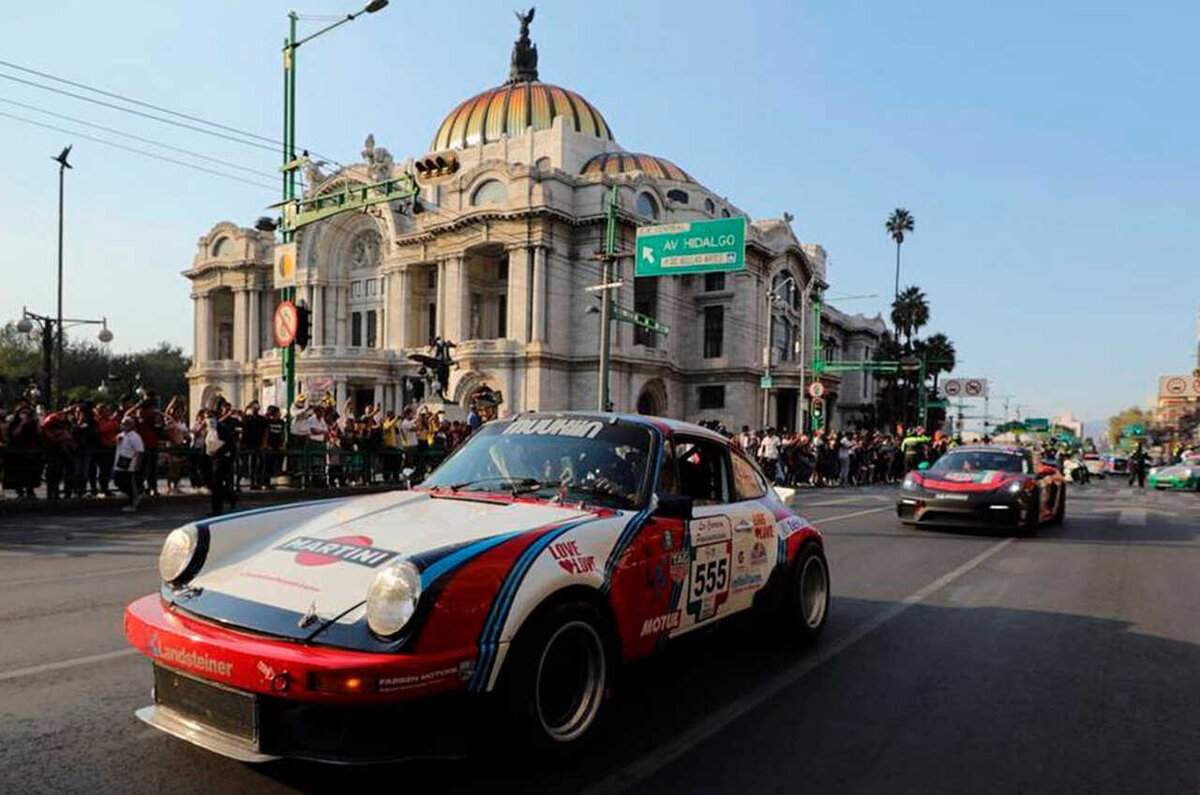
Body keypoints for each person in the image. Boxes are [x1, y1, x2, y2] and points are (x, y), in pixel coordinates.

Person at [205, 400, 238, 515]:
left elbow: (229, 444)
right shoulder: (210, 430)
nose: (208, 420)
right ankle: (230, 496)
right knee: (214, 484)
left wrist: (218, 452)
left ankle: (217, 509)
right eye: (207, 417)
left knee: (216, 484)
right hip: (212, 460)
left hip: (222, 460)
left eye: (210, 417)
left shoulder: (222, 429)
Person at [112, 416, 144, 512]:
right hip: (120, 463)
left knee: (129, 484)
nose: (124, 425)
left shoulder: (135, 436)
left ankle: (133, 503)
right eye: (123, 423)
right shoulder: (121, 435)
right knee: (117, 481)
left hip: (129, 464)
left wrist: (138, 465)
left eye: (126, 423)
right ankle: (134, 495)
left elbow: (140, 451)